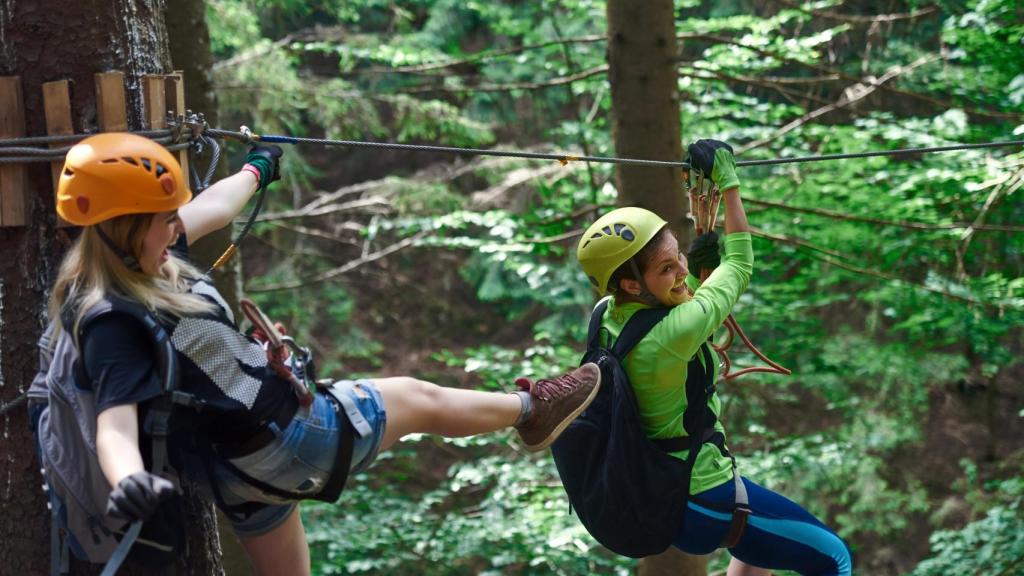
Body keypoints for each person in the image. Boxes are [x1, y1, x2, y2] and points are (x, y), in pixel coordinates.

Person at [39, 133, 600, 574]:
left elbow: (215, 205)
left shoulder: (137, 256)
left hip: (236, 468)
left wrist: (258, 169)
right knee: (415, 397)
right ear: (125, 228)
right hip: (288, 441)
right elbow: (114, 421)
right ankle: (534, 409)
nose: (175, 229)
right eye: (165, 221)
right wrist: (127, 479)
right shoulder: (113, 320)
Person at [575, 140, 852, 575]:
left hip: (667, 492)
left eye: (678, 255)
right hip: (705, 496)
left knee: (756, 556)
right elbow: (740, 266)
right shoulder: (676, 331)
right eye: (667, 268)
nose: (682, 269)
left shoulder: (604, 318)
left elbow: (665, 329)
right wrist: (729, 184)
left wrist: (690, 271)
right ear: (631, 285)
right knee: (834, 558)